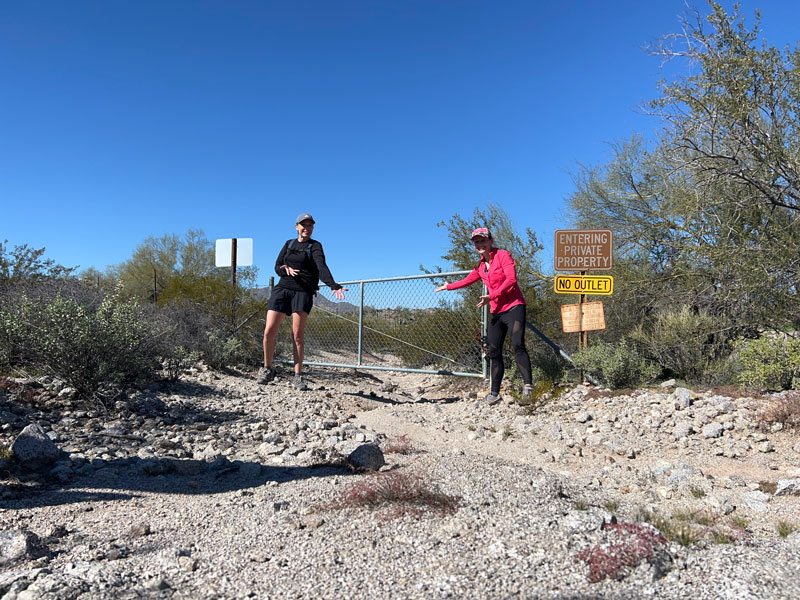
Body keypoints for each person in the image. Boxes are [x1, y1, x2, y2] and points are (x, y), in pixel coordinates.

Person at [435, 227, 533, 404]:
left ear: (490, 241)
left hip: (514, 307)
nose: (480, 244)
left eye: (483, 240)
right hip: (496, 311)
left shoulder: (503, 255)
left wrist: (492, 296)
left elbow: (511, 280)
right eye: (476, 242)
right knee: (494, 351)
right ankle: (494, 394)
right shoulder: (480, 266)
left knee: (518, 344)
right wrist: (448, 287)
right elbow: (466, 281)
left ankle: (528, 389)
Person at [258, 213, 347, 390]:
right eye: (303, 225)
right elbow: (277, 266)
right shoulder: (288, 244)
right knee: (269, 331)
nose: (306, 228)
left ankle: (297, 376)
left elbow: (321, 266)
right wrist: (285, 270)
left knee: (297, 335)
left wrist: (333, 285)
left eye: (310, 225)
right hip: (283, 289)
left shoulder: (315, 246)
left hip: (303, 292)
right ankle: (267, 369)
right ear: (296, 226)